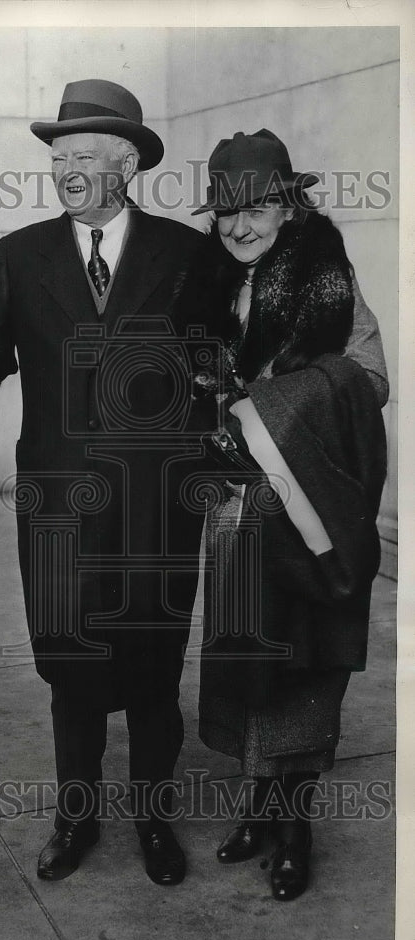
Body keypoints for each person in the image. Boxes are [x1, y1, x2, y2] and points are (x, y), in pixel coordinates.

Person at [0, 79, 207, 886]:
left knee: (156, 666)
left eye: (84, 157)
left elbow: (212, 362)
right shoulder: (21, 254)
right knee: (70, 664)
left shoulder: (186, 254)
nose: (66, 172)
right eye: (58, 159)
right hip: (57, 501)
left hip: (158, 500)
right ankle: (75, 817)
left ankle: (155, 821)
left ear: (126, 164)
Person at [176, 128, 388, 901]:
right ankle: (258, 807)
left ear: (289, 207)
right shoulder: (203, 284)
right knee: (245, 659)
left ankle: (294, 829)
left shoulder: (326, 276)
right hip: (237, 506)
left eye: (257, 208)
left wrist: (264, 410)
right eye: (225, 211)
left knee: (305, 664)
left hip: (311, 505)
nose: (239, 226)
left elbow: (369, 375)